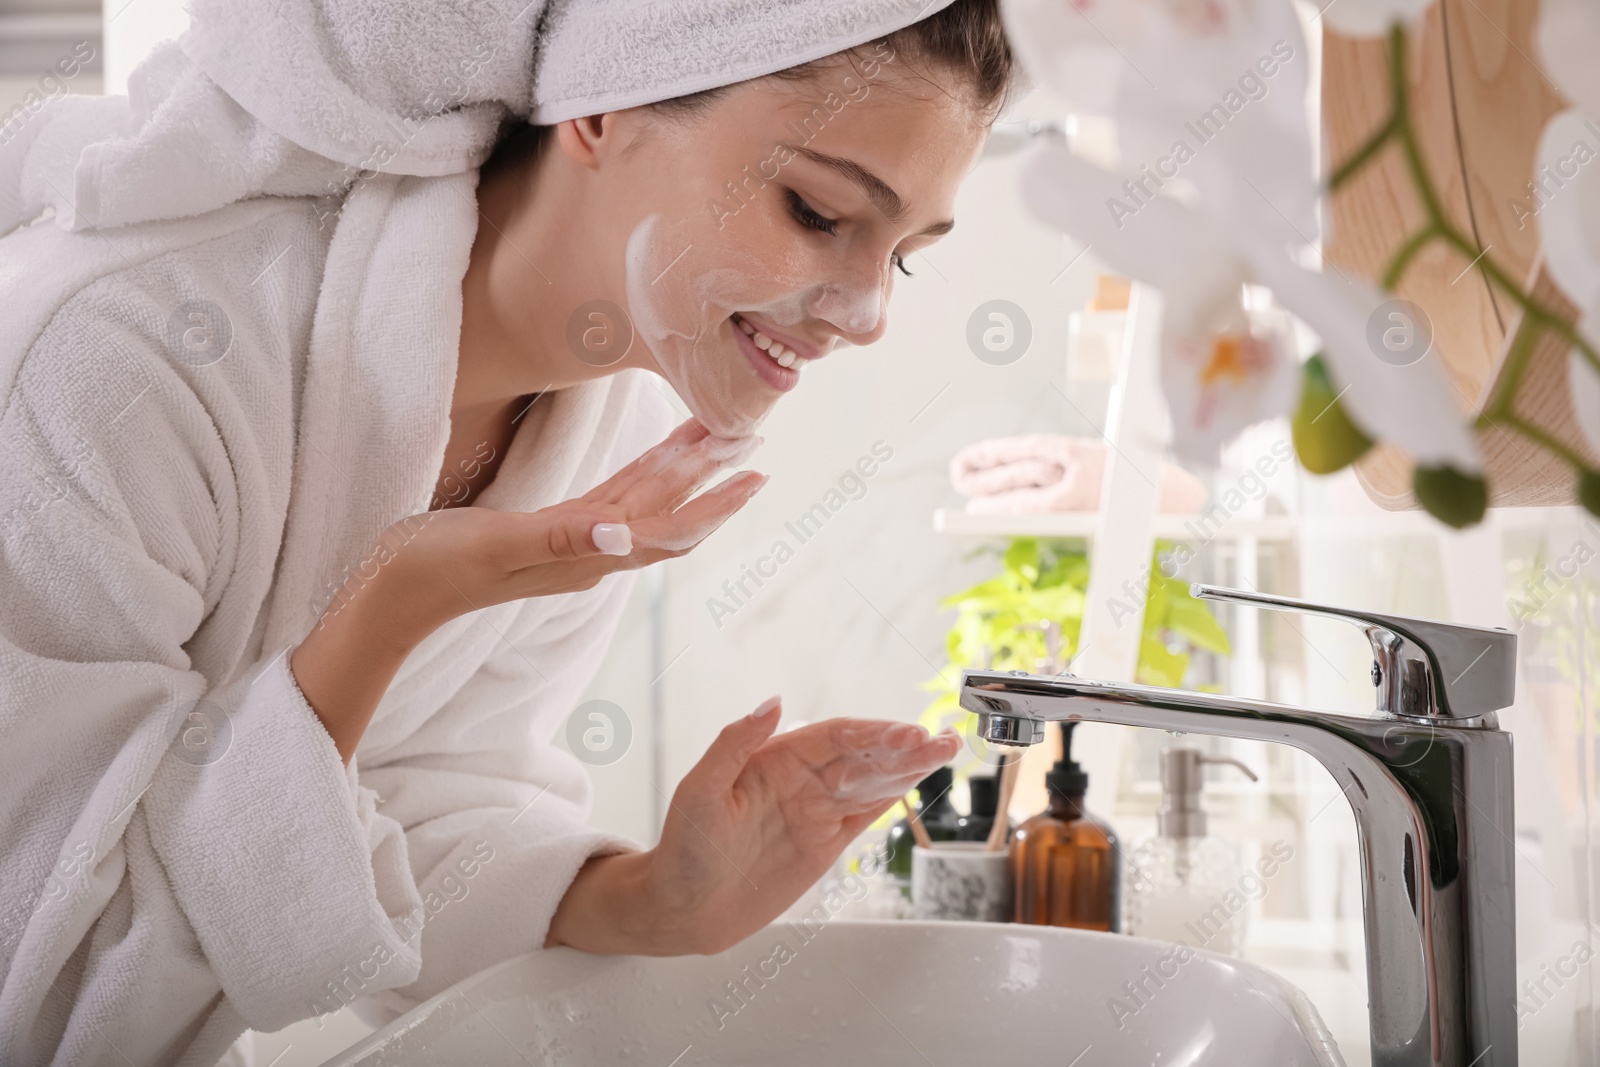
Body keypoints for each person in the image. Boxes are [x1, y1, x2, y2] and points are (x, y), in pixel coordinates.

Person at [0, 0, 1018, 1062]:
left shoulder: (604, 422)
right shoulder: (121, 360)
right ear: (603, 112)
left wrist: (653, 897)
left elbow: (416, 800)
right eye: (816, 211)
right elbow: (47, 986)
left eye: (902, 256)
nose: (865, 316)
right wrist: (391, 603)